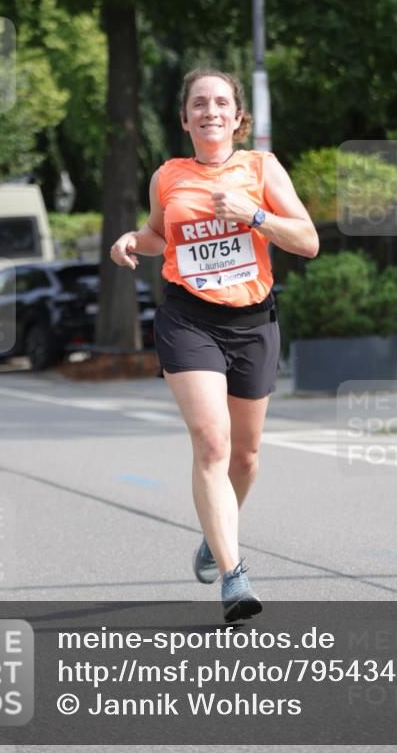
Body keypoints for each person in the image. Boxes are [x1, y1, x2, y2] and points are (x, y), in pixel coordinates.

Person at [111, 69, 319, 622]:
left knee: (246, 457)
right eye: (198, 104)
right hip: (189, 319)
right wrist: (134, 238)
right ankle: (234, 573)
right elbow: (160, 235)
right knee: (211, 442)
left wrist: (253, 214)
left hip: (253, 321)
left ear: (237, 117)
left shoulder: (261, 168)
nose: (210, 111)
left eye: (220, 102)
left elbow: (309, 240)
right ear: (184, 119)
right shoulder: (167, 176)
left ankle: (214, 533)